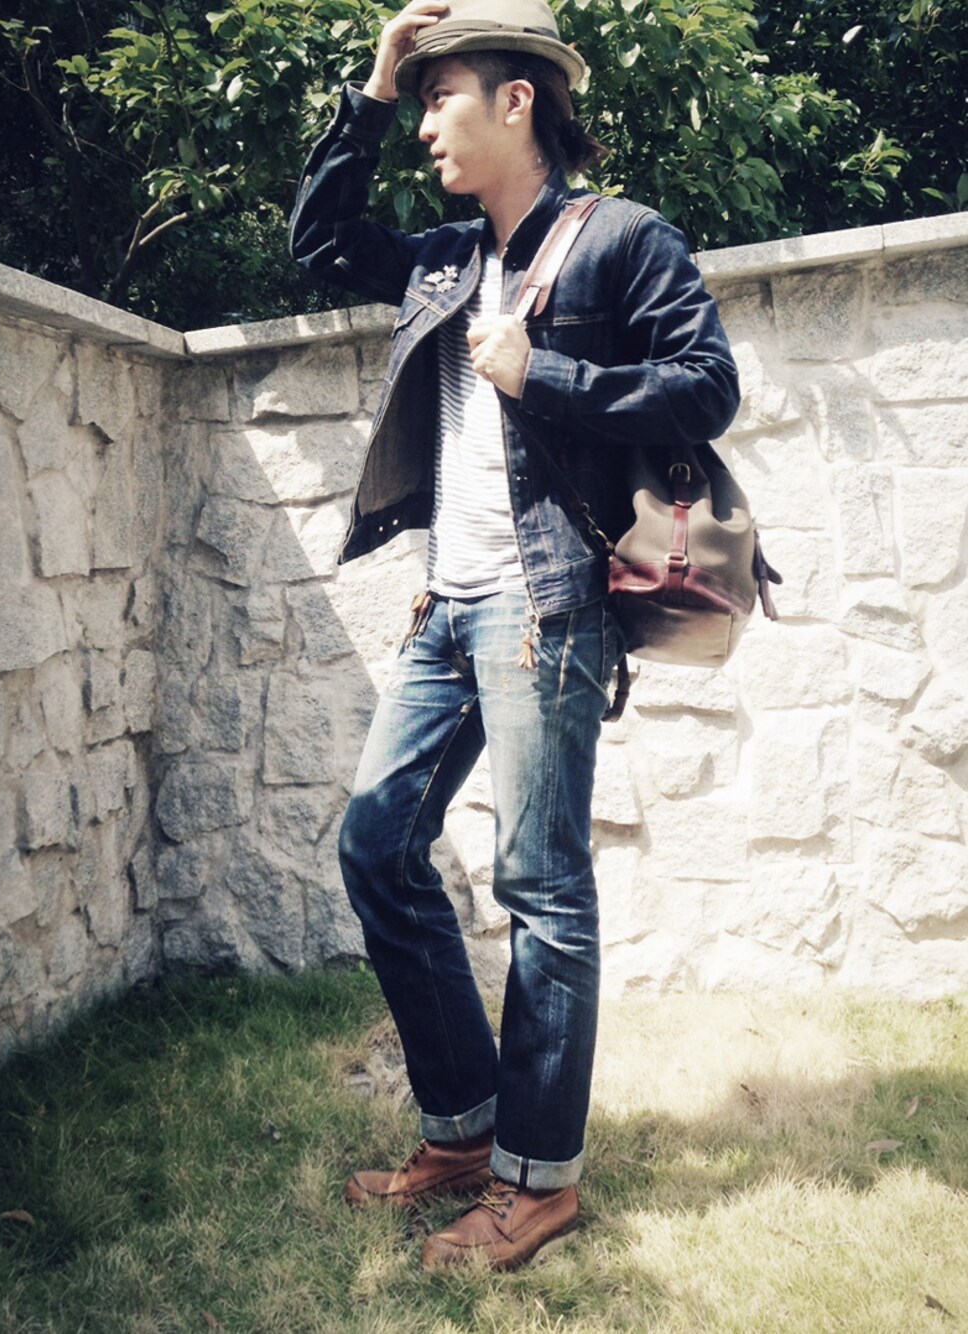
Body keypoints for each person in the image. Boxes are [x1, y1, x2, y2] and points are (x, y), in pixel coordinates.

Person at [289, 0, 739, 1271]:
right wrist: (376, 85)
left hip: (548, 606)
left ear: (517, 101)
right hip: (448, 602)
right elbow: (320, 244)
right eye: (421, 102)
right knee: (377, 843)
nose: (427, 124)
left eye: (443, 98)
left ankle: (536, 1182)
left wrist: (543, 371)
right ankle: (464, 1126)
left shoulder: (621, 240)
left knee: (542, 887)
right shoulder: (441, 257)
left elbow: (707, 385)